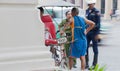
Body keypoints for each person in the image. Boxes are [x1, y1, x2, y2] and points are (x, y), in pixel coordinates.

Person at [85, 0, 101, 69]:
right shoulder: (86, 11)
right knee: (85, 48)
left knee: (95, 49)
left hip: (94, 33)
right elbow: (85, 21)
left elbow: (98, 24)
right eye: (88, 4)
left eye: (91, 4)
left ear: (94, 4)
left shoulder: (97, 12)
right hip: (88, 32)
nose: (89, 5)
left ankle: (94, 64)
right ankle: (86, 64)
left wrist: (97, 33)